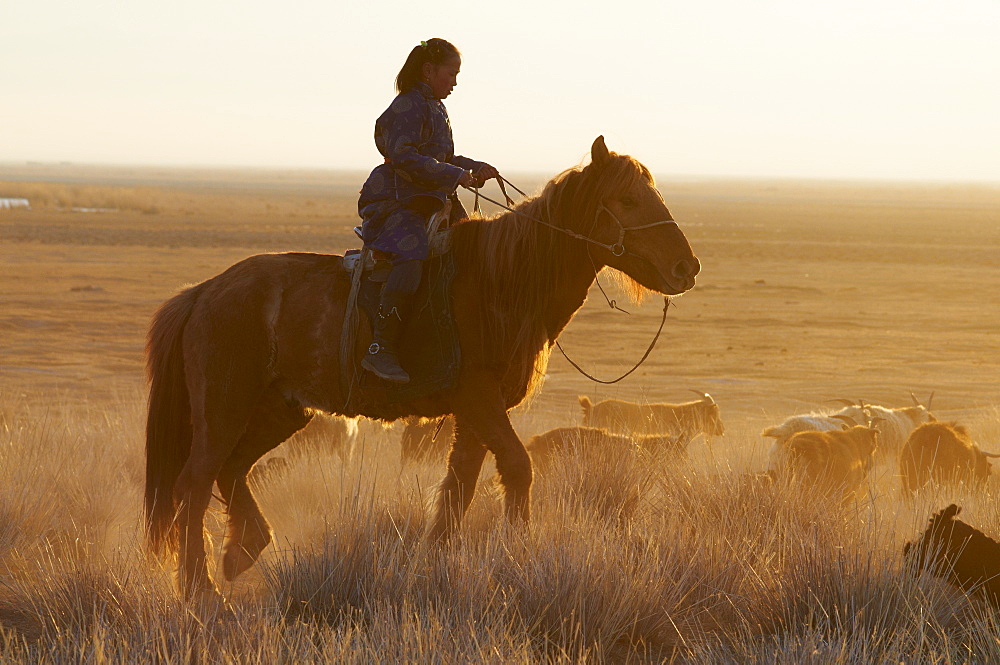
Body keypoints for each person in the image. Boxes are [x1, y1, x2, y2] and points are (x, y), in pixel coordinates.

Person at [357, 38, 498, 384]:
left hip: (432, 200)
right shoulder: (407, 106)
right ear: (429, 70)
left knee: (476, 250)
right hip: (399, 201)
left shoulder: (434, 106)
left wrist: (475, 167)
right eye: (451, 74)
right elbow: (403, 156)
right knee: (412, 254)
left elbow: (442, 159)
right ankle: (381, 348)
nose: (454, 82)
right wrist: (455, 175)